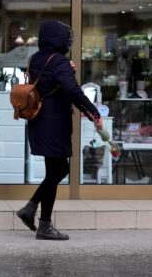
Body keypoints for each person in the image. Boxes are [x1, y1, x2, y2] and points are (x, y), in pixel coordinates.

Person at [16, 20, 103, 240]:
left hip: (38, 120)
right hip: (55, 123)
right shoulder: (60, 62)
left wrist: (67, 67)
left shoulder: (35, 58)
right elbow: (72, 90)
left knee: (54, 171)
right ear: (59, 39)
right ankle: (34, 211)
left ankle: (41, 221)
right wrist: (94, 113)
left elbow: (49, 81)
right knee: (60, 170)